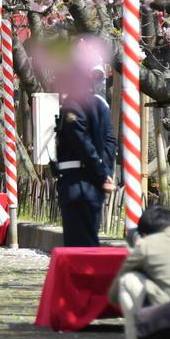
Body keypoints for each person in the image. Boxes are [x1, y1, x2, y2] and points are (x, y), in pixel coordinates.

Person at [109, 205, 170, 339]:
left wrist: (137, 259)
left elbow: (113, 296)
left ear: (145, 233)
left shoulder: (146, 244)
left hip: (169, 316)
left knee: (128, 279)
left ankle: (135, 335)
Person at [55, 90, 116, 247]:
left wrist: (101, 174)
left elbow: (82, 143)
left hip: (77, 183)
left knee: (78, 245)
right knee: (89, 239)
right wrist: (105, 173)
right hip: (92, 185)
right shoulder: (101, 103)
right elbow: (110, 142)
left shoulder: (73, 104)